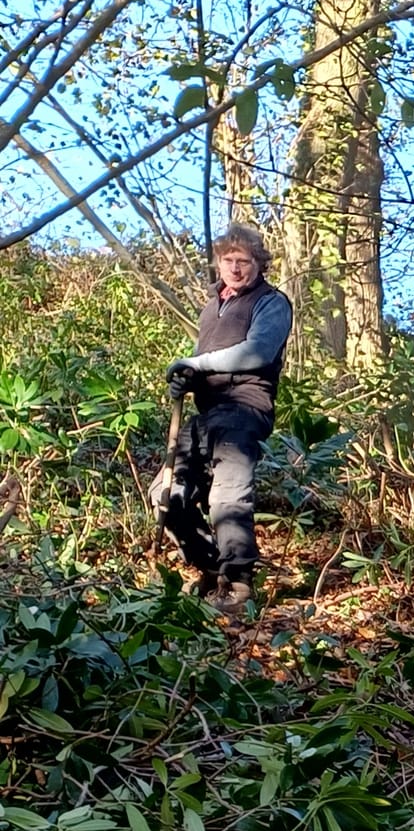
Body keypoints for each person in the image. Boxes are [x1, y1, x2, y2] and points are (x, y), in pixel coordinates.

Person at [154, 224, 292, 618]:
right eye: (228, 260)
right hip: (205, 416)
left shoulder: (271, 302)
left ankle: (236, 583)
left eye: (243, 261)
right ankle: (210, 566)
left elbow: (256, 353)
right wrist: (185, 380)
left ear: (258, 264)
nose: (235, 268)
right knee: (165, 493)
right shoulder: (211, 307)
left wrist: (196, 364)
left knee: (227, 497)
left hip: (245, 411)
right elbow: (203, 363)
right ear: (218, 262)